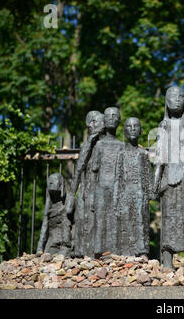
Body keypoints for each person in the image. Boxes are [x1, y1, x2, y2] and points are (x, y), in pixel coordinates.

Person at [153, 87, 184, 270]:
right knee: (169, 219)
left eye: (181, 96)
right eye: (174, 97)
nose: (178, 100)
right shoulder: (163, 126)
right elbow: (159, 156)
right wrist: (155, 181)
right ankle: (167, 261)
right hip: (169, 179)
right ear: (166, 101)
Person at [65, 110, 104, 257]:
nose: (91, 126)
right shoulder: (86, 146)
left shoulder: (108, 145)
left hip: (102, 190)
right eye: (89, 123)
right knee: (83, 221)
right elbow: (79, 170)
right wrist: (71, 194)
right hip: (86, 189)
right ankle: (82, 254)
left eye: (95, 121)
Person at [113, 117, 152, 257]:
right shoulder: (121, 154)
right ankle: (126, 252)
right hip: (125, 194)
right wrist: (115, 200)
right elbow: (117, 179)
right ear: (124, 132)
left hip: (140, 194)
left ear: (141, 131)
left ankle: (142, 252)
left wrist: (150, 195)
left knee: (141, 223)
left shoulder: (144, 154)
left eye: (136, 126)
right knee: (126, 222)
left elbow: (148, 176)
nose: (133, 129)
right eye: (129, 126)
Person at [90, 107, 124, 258]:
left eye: (114, 115)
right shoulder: (99, 145)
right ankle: (99, 250)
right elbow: (93, 171)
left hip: (117, 189)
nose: (111, 118)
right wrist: (91, 195)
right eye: (108, 115)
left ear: (119, 120)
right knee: (100, 220)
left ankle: (114, 250)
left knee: (115, 219)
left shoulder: (122, 146)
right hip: (101, 188)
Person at [37, 173, 72, 256]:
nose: (50, 183)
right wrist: (39, 248)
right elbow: (45, 224)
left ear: (61, 184)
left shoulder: (69, 201)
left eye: (54, 180)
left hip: (66, 244)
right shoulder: (50, 204)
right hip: (53, 242)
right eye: (49, 181)